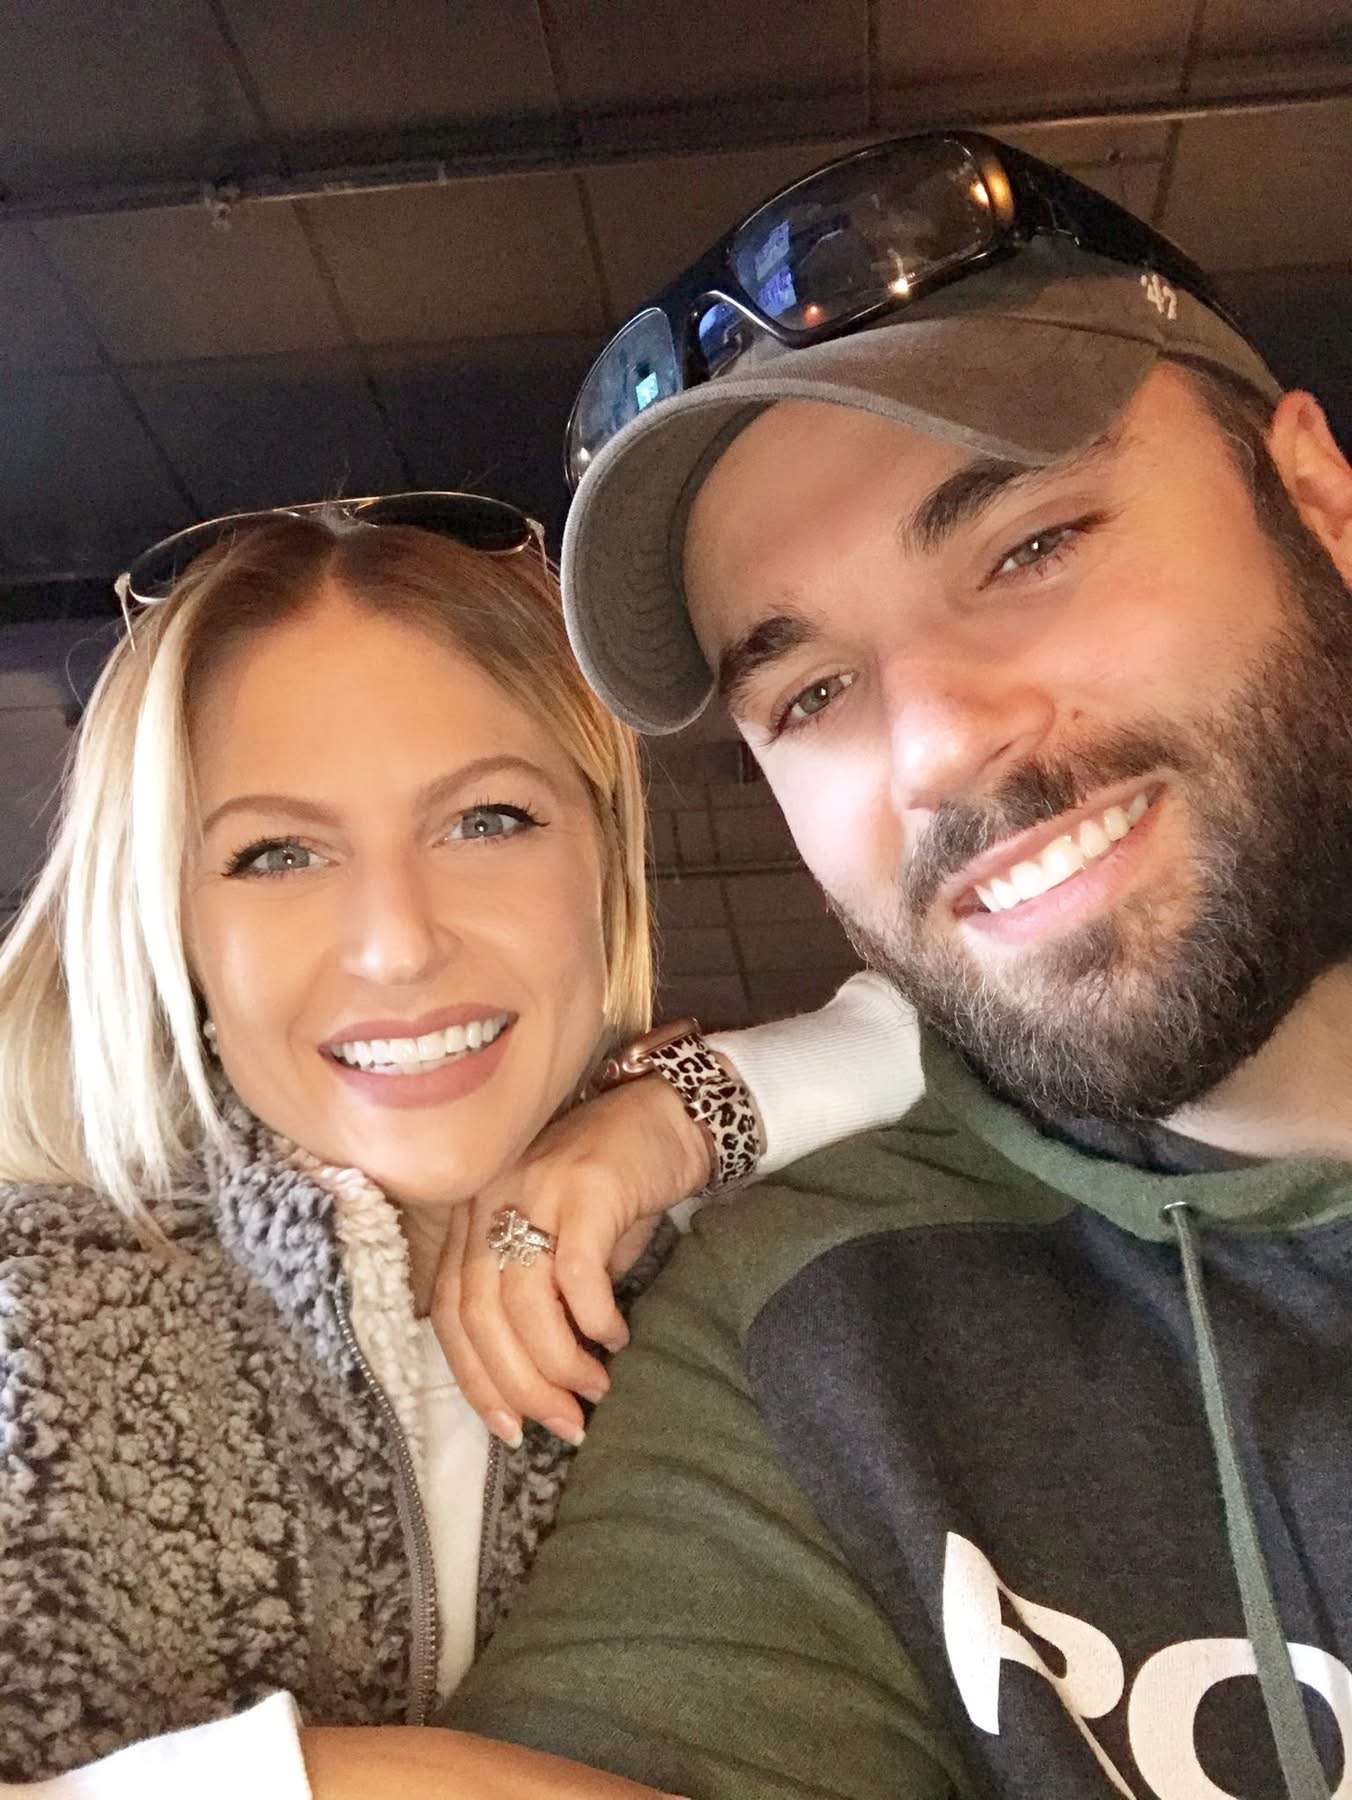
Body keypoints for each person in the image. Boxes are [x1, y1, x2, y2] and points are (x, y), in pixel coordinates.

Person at [447, 131, 1352, 1799]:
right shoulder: (813, 1330)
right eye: (806, 695)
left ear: (1317, 502)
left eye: (1030, 548)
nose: (935, 749)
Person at [0, 496, 917, 1794]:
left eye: (485, 821)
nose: (398, 943)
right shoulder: (29, 1314)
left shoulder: (754, 1266)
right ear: (174, 925)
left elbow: (1078, 1034)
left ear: (602, 855)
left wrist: (683, 1113)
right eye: (276, 853)